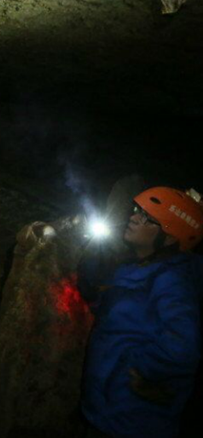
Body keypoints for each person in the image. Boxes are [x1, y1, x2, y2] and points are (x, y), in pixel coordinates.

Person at [78, 186, 203, 438]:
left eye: (148, 218)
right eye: (138, 211)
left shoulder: (173, 280)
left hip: (134, 420)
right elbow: (115, 311)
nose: (134, 217)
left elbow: (184, 345)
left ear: (168, 238)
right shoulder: (135, 270)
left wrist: (141, 369)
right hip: (106, 408)